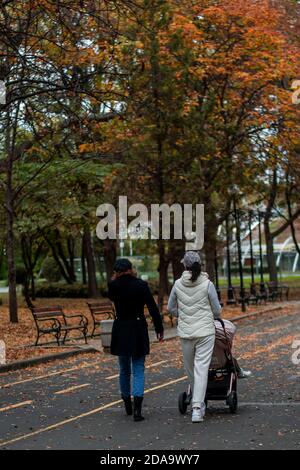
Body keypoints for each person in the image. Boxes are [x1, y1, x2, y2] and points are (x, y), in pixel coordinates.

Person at [108, 258, 164, 422]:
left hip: (121, 328)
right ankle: (138, 410)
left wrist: (114, 279)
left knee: (124, 369)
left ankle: (127, 405)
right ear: (131, 269)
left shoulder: (113, 286)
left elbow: (112, 297)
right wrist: (159, 328)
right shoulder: (141, 285)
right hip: (138, 327)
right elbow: (152, 308)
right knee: (138, 368)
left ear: (117, 271)